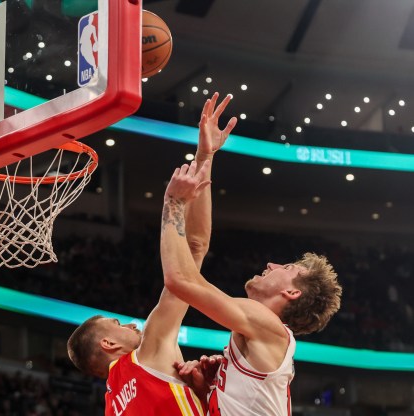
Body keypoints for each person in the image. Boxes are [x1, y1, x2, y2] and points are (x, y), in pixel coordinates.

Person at [67, 92, 237, 415]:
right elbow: (196, 247)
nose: (130, 325)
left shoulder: (112, 405)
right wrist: (205, 157)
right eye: (116, 323)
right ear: (109, 344)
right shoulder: (148, 349)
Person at [160, 152, 343, 415]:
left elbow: (180, 279)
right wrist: (205, 157)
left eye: (287, 267)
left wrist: (174, 203)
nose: (272, 265)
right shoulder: (262, 336)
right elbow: (195, 247)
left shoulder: (268, 325)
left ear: (291, 292)